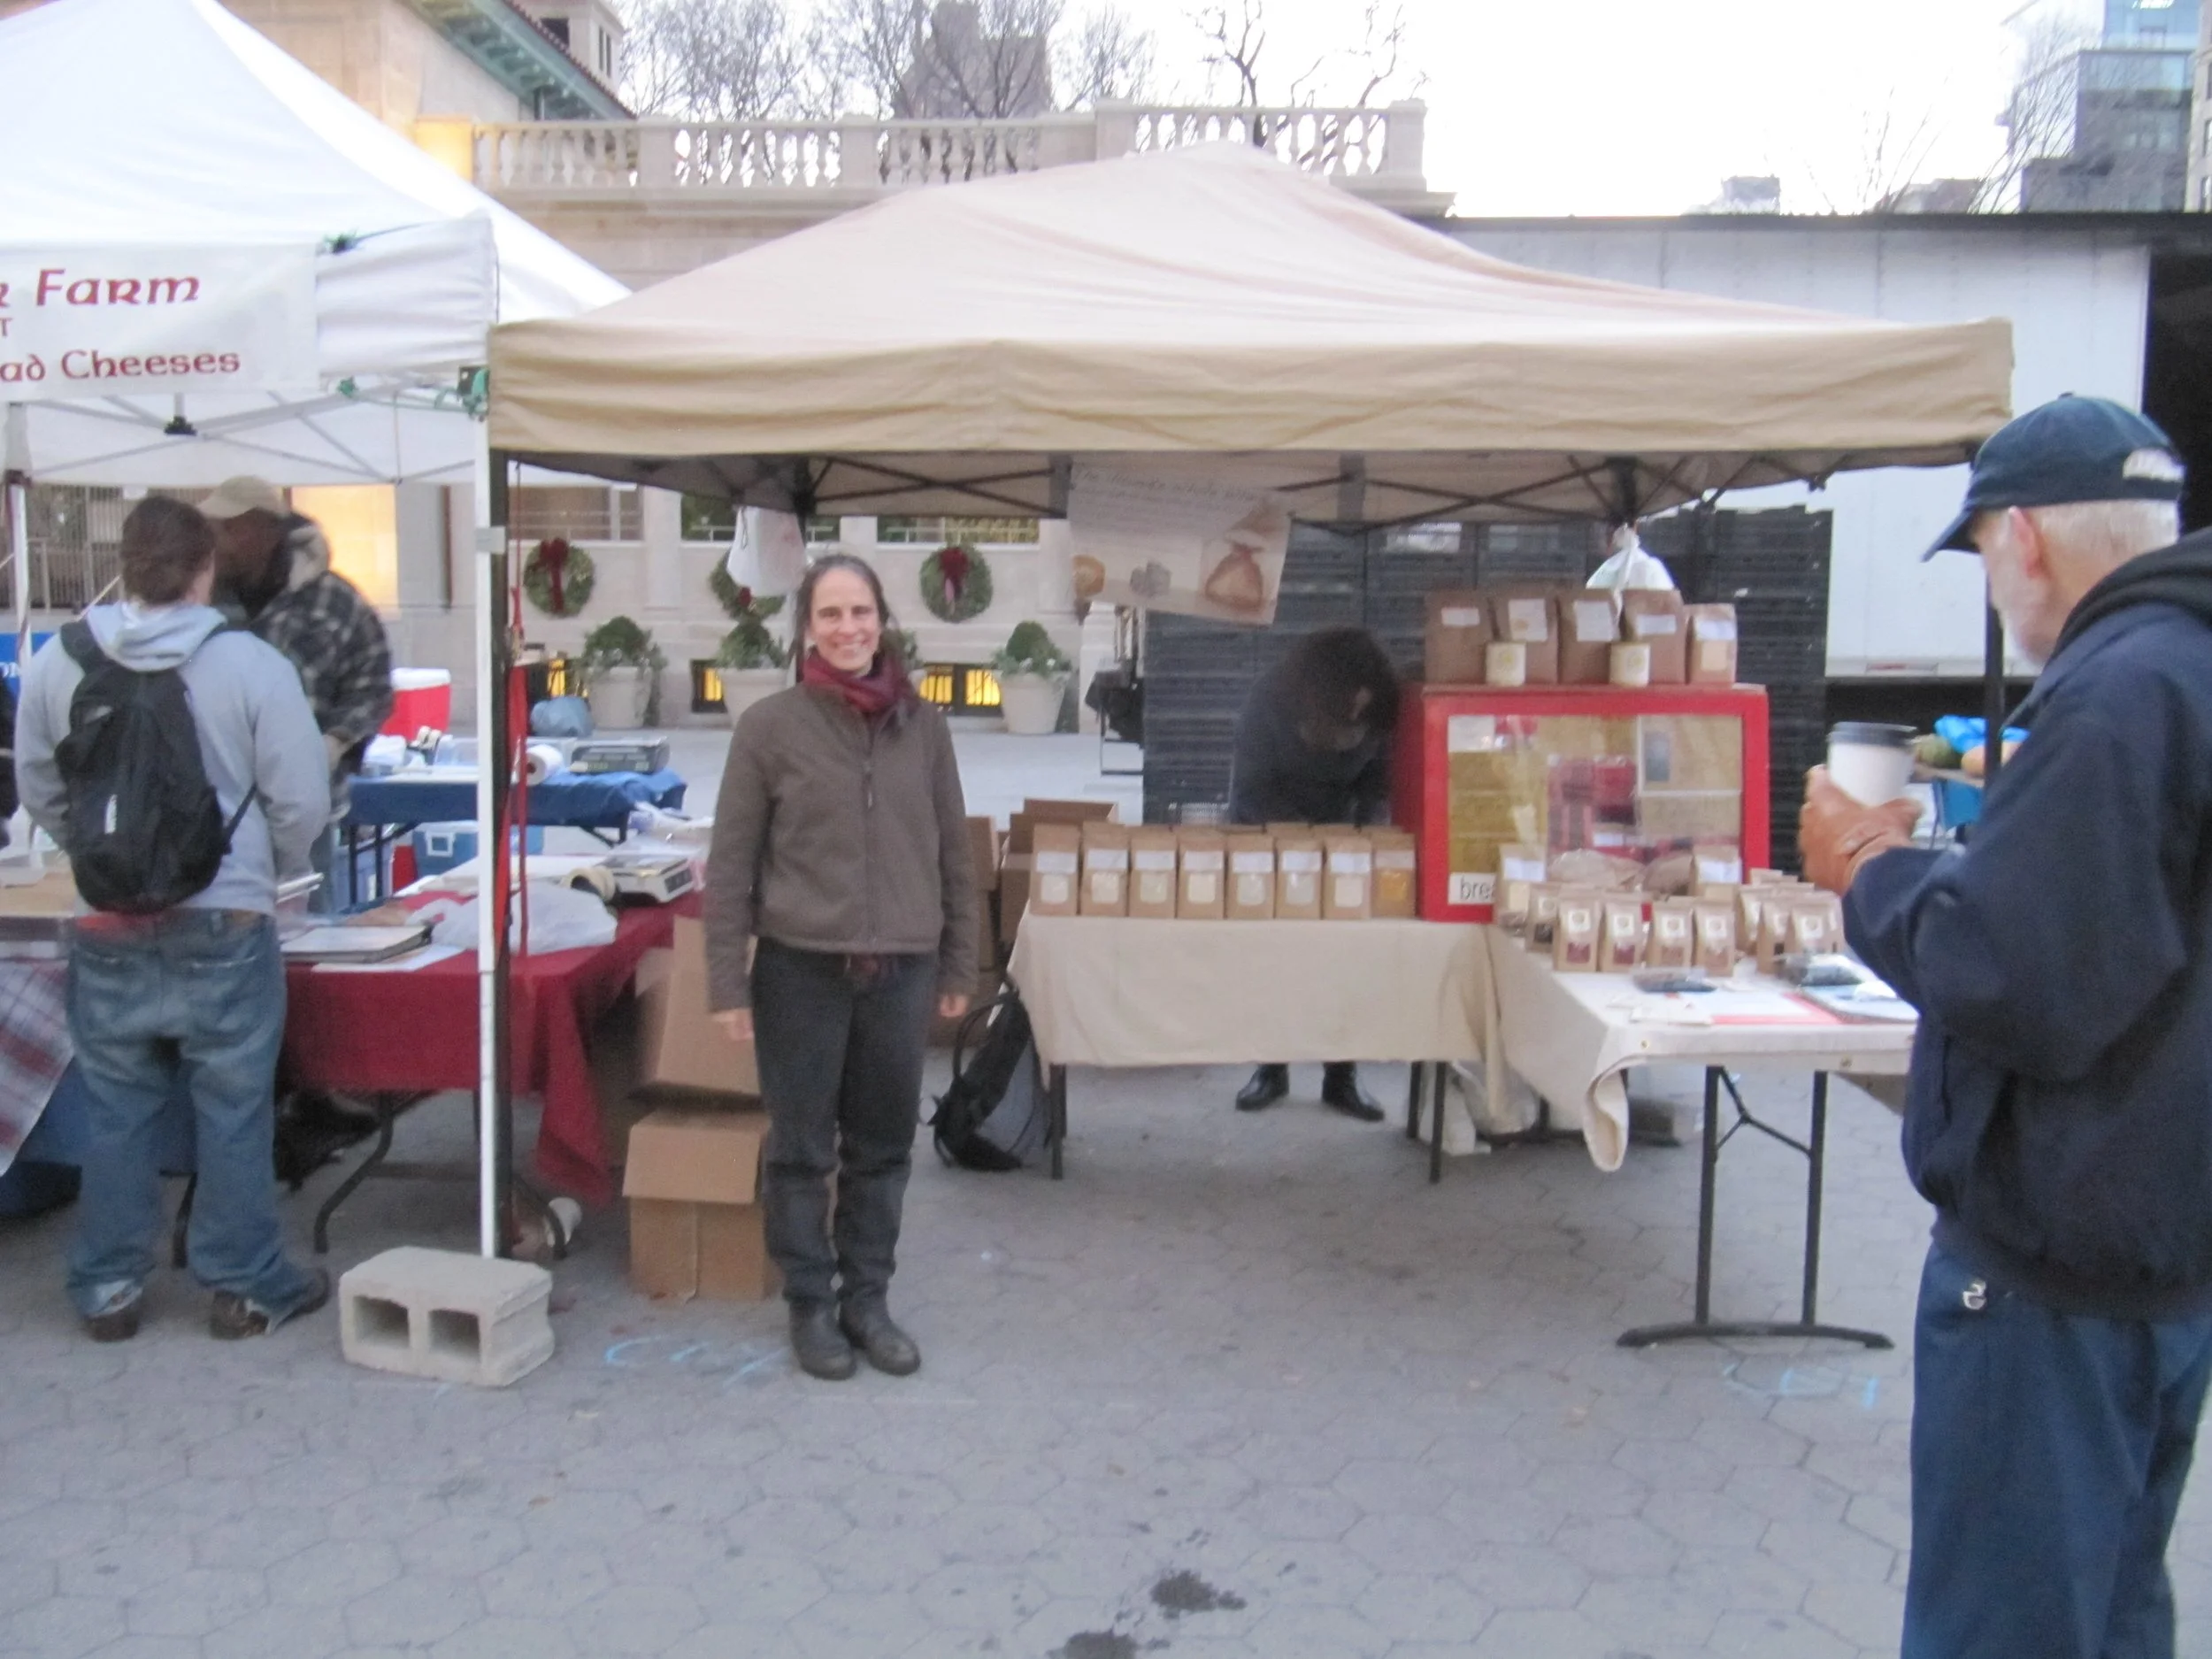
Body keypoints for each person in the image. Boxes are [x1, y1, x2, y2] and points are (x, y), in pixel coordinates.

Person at [1799, 395, 2212, 1659]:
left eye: (1980, 554)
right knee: (2114, 1606)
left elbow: (2019, 974)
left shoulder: (2117, 690)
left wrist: (1868, 872)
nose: (1992, 587)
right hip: (2162, 1248)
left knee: (2010, 1621)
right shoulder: (2185, 666)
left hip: (2055, 1261)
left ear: (2021, 535)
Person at [17, 497, 333, 1342]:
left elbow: (41, 787)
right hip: (225, 910)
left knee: (119, 1107)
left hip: (105, 916)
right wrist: (274, 865)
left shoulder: (61, 661)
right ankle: (243, 1284)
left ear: (124, 563)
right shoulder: (248, 663)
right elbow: (300, 794)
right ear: (204, 569)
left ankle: (108, 1284)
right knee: (233, 1103)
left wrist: (95, 856)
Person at [705, 554, 978, 1382]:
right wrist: (726, 981)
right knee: (799, 1147)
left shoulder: (922, 727)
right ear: (807, 628)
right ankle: (810, 1303)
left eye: (861, 612)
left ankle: (868, 1298)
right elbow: (731, 864)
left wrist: (961, 959)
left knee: (884, 1145)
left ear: (882, 620)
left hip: (901, 967)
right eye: (831, 614)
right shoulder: (769, 729)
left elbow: (953, 853)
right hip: (800, 970)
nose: (849, 629)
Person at [1225, 625, 1400, 1121]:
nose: (1352, 722)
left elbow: (1378, 783)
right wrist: (1301, 845)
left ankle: (1341, 1077)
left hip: (1342, 840)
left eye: (1360, 716)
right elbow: (1252, 792)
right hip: (1270, 836)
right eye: (1343, 712)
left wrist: (1364, 834)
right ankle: (1271, 1068)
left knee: (1344, 963)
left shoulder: (1377, 710)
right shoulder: (1269, 702)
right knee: (1276, 957)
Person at [199, 476, 393, 905]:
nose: (218, 541)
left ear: (264, 531)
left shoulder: (334, 600)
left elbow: (374, 685)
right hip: (215, 808)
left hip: (304, 807)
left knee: (308, 935)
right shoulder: (202, 604)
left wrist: (335, 741)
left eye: (228, 528)